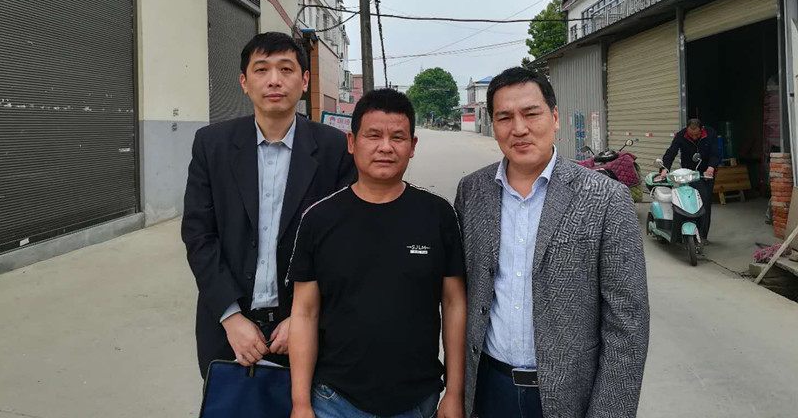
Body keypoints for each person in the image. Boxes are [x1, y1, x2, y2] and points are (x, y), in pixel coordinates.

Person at [455, 67, 649, 418]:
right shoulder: (472, 192)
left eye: (531, 114)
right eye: (504, 117)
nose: (519, 128)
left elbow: (627, 324)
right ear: (493, 124)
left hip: (570, 395)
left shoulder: (606, 198)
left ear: (554, 117)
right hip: (488, 388)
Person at [182, 32, 356, 378]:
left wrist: (303, 316)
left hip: (308, 325)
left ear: (304, 81)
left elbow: (342, 241)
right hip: (228, 330)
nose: (274, 80)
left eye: (286, 69)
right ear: (244, 82)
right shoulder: (212, 145)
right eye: (261, 70)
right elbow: (199, 234)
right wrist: (231, 317)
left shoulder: (334, 149)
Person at [288, 89, 467, 418]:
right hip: (334, 400)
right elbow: (304, 312)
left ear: (412, 146)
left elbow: (454, 304)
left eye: (397, 137)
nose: (385, 147)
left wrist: (455, 392)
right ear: (352, 142)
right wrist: (300, 403)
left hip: (417, 399)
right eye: (373, 136)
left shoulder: (438, 215)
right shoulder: (319, 219)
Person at [660, 118, 719, 241]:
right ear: (687, 130)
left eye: (697, 135)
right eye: (691, 135)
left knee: (704, 202)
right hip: (688, 174)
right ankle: (683, 232)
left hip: (706, 173)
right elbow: (671, 152)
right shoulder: (681, 135)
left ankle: (702, 235)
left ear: (701, 129)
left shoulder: (710, 133)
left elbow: (715, 153)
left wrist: (711, 167)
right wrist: (665, 168)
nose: (694, 137)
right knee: (686, 201)